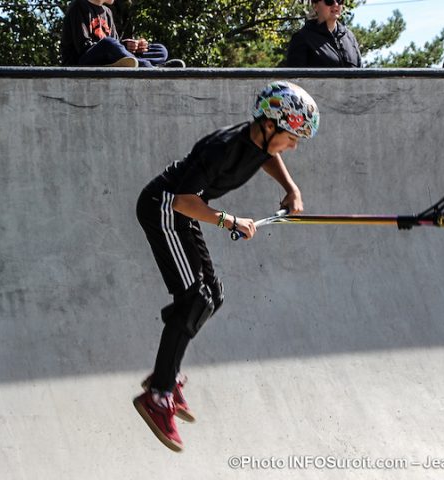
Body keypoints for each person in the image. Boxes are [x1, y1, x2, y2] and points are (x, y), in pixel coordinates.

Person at [132, 82, 320, 451]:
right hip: (165, 209)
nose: (294, 145)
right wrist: (230, 221)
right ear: (269, 126)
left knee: (211, 296)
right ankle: (158, 396)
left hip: (184, 211)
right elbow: (185, 202)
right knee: (193, 299)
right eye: (292, 136)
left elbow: (267, 157)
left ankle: (165, 374)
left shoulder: (258, 141)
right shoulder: (223, 148)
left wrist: (291, 187)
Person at [60, 0, 185, 68]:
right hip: (80, 62)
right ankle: (150, 67)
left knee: (160, 50)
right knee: (108, 43)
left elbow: (116, 43)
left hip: (107, 55)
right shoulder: (78, 6)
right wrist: (115, 47)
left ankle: (153, 65)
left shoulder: (107, 12)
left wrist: (129, 45)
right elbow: (83, 47)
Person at [286, 0, 362, 68]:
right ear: (315, 6)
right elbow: (295, 80)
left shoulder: (350, 37)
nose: (335, 4)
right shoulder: (301, 38)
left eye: (339, 1)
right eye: (329, 1)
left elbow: (362, 76)